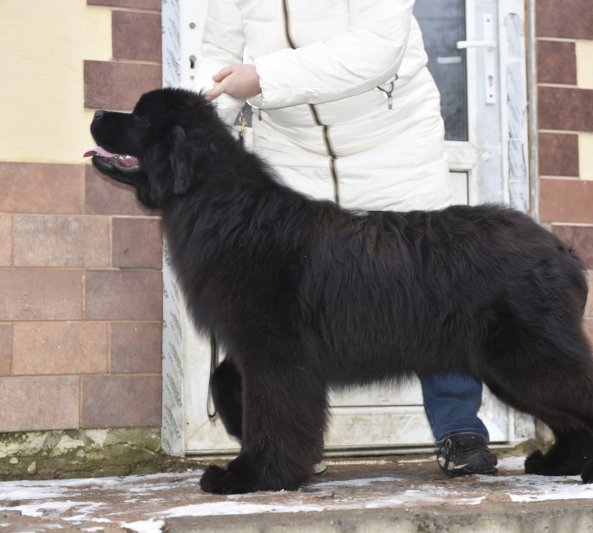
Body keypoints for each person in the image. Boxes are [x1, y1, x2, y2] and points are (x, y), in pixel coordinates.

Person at [197, 0, 497, 477]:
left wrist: (262, 78)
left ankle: (459, 429)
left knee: (435, 288)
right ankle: (288, 445)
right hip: (293, 151)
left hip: (390, 141)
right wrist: (213, 107)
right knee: (286, 308)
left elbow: (376, 48)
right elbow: (216, 51)